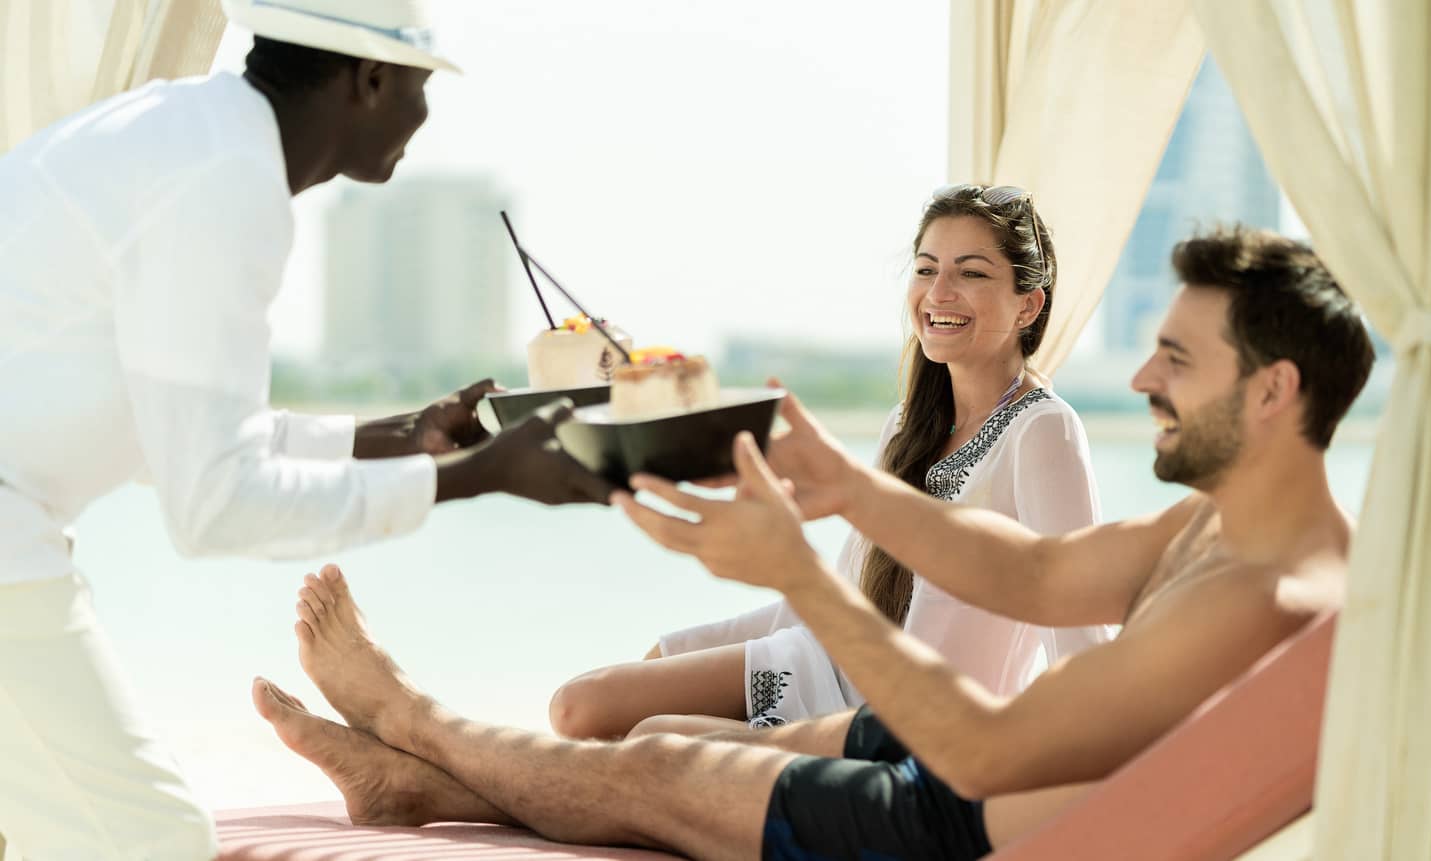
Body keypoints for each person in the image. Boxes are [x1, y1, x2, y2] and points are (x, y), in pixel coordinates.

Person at [254, 226, 1374, 860]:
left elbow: (988, 755)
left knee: (660, 767)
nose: (1139, 378)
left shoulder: (1265, 594)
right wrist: (838, 486)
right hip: (957, 759)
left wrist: (799, 572)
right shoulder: (1217, 526)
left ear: (1274, 390)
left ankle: (411, 723)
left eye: (1176, 360)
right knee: (658, 726)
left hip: (950, 825)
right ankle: (410, 785)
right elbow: (1033, 570)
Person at [0, 2, 611, 857]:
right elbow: (212, 506)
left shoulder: (192, 140)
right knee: (148, 837)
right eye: (421, 87)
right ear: (369, 78)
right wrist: (478, 476)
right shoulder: (225, 183)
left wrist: (405, 436)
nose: (424, 119)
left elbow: (182, 430)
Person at [549, 185, 1110, 740]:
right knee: (583, 705)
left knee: (651, 735)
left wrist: (1085, 764)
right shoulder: (907, 424)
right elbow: (851, 585)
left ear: (1028, 305)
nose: (939, 292)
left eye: (972, 273)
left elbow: (1079, 627)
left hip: (900, 724)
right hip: (827, 662)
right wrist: (688, 649)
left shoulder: (1042, 430)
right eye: (925, 269)